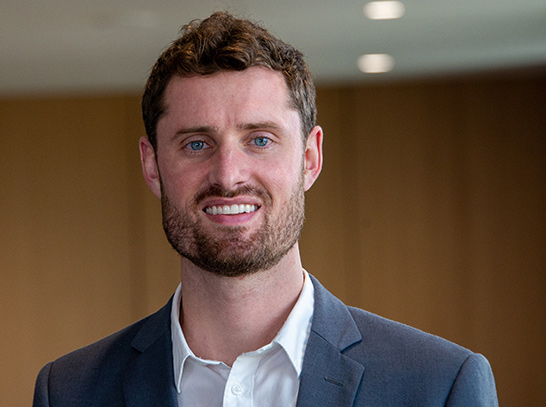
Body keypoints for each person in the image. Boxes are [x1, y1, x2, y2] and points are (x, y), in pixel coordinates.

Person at [33, 11, 498, 407]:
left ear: (310, 159)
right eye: (197, 143)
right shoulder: (71, 391)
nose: (228, 174)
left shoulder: (439, 386)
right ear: (152, 165)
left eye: (260, 140)